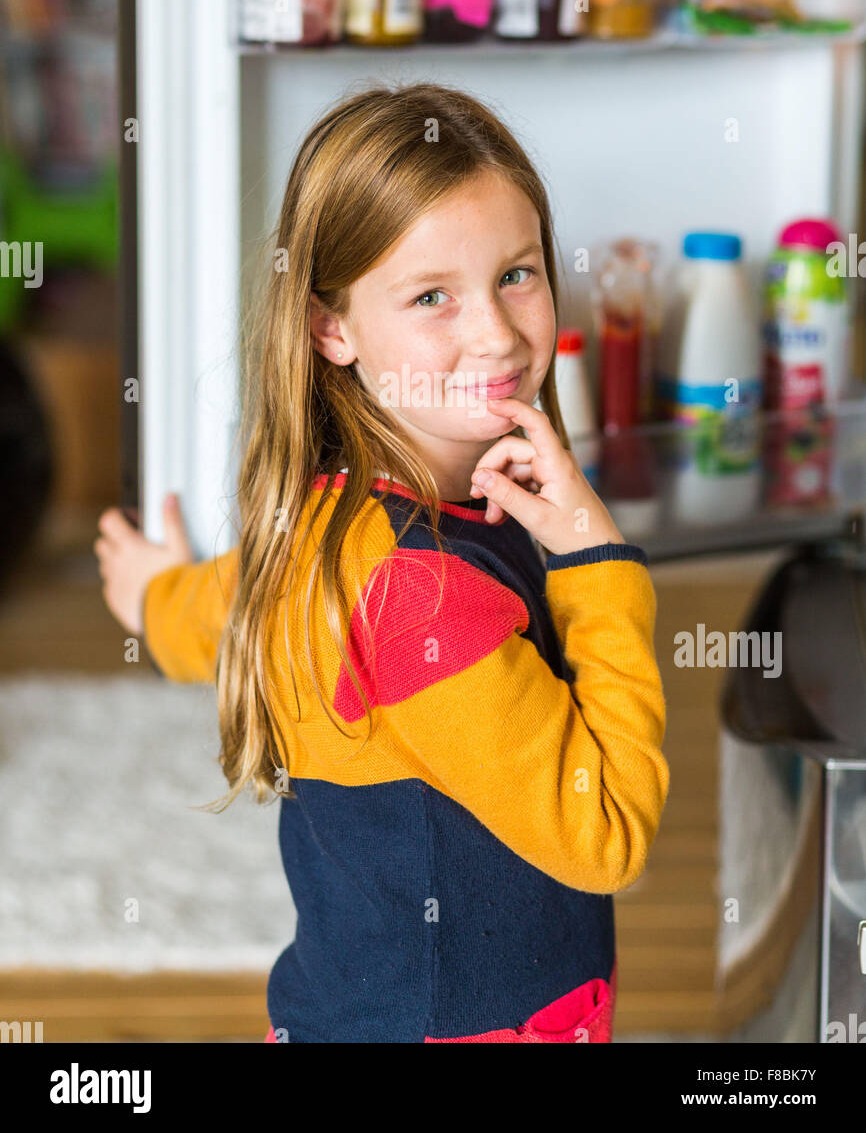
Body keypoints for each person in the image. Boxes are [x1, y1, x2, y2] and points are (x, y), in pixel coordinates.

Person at [95, 81, 669, 1043]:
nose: (495, 331)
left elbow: (220, 610)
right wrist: (599, 564)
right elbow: (605, 833)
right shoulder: (417, 595)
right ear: (332, 329)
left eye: (517, 274)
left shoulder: (326, 520)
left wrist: (153, 596)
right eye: (432, 296)